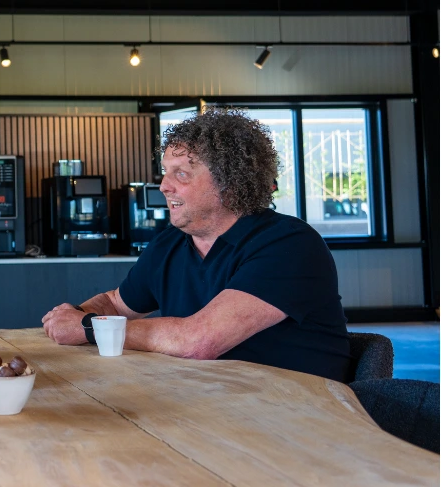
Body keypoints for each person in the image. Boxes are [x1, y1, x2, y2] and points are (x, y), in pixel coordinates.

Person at [42, 108, 351, 381]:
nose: (164, 186)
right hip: (209, 403)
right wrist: (75, 314)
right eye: (165, 172)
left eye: (182, 174)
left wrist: (87, 327)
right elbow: (115, 302)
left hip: (297, 411)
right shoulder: (169, 244)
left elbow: (199, 341)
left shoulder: (288, 244)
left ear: (230, 183)